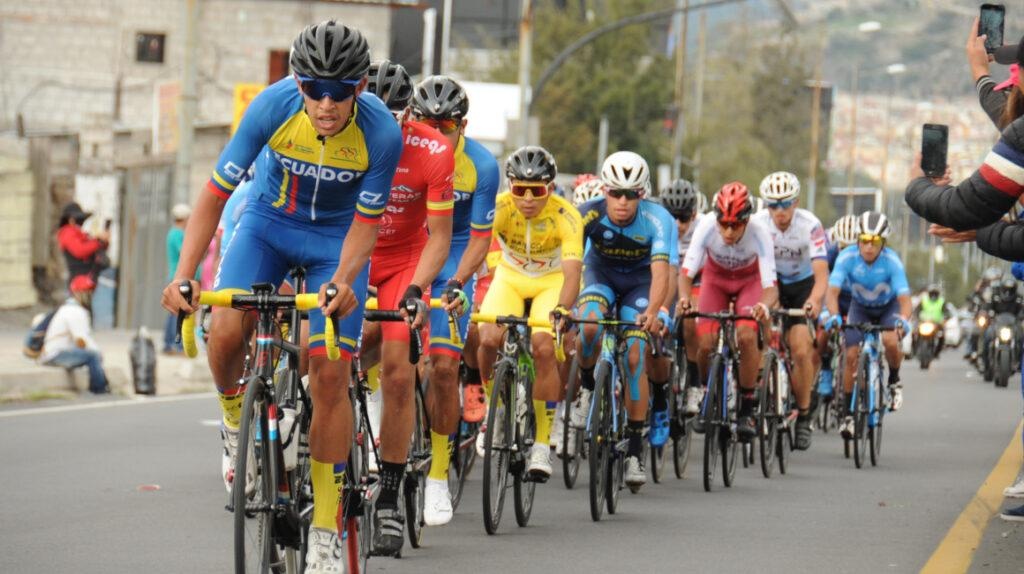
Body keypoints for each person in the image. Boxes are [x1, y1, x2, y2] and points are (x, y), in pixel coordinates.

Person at [159, 20, 402, 573]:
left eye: (339, 92)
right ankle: (231, 422)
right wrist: (183, 274)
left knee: (331, 371)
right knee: (223, 329)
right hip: (268, 224)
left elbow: (367, 227)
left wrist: (342, 279)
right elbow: (214, 196)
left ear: (359, 88)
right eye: (312, 88)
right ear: (297, 84)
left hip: (336, 242)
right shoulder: (272, 108)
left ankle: (324, 528)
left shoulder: (382, 133)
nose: (324, 103)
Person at [359, 60, 456, 543]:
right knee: (318, 353)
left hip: (404, 260)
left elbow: (440, 237)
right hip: (349, 251)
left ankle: (392, 494)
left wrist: (417, 289)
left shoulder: (433, 149)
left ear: (409, 113)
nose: (383, 122)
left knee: (398, 370)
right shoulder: (338, 139)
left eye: (395, 114)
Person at [402, 75, 499, 526]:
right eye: (427, 122)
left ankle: (438, 475)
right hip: (409, 251)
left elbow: (481, 238)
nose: (437, 133)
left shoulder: (481, 164)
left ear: (463, 125)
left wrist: (460, 280)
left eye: (447, 125)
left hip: (455, 258)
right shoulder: (401, 150)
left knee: (442, 366)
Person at [477, 145, 583, 483]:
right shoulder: (499, 208)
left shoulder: (566, 216)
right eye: (518, 189)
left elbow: (572, 274)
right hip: (510, 278)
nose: (526, 198)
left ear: (550, 189)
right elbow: (479, 246)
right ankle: (494, 409)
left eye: (535, 191)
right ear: (509, 185)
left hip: (550, 282)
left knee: (543, 346)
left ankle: (541, 444)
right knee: (488, 336)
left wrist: (563, 309)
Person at [573, 151, 676, 490]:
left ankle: (634, 449)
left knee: (635, 353)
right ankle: (587, 387)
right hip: (599, 275)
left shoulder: (659, 219)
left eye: (631, 194)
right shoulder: (587, 215)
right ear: (604, 190)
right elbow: (573, 267)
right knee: (588, 324)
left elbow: (662, 273)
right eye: (615, 192)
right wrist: (565, 305)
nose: (622, 201)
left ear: (642, 194)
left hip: (640, 283)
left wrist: (655, 311)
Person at [678, 182, 777, 440]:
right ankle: (705, 391)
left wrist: (763, 306)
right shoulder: (706, 225)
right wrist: (684, 298)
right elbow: (687, 273)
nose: (728, 231)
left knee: (746, 335)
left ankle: (746, 407)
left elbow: (770, 286)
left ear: (747, 220)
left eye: (736, 225)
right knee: (706, 342)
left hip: (749, 282)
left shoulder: (760, 232)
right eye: (724, 224)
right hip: (716, 280)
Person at [751, 171, 829, 450]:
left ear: (795, 202)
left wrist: (814, 301)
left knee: (800, 349)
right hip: (769, 283)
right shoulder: (757, 223)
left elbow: (821, 275)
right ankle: (754, 392)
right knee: (751, 335)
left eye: (785, 204)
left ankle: (805, 414)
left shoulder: (811, 225)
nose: (779, 211)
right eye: (773, 205)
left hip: (801, 286)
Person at [823, 212, 912, 440]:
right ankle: (848, 415)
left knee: (891, 341)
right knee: (851, 354)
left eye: (874, 242)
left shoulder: (892, 261)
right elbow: (831, 293)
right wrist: (833, 316)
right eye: (864, 240)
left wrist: (903, 320)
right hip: (859, 307)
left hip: (887, 308)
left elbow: (904, 300)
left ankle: (893, 380)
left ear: (883, 243)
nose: (868, 247)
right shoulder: (846, 257)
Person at [660, 178, 707, 417]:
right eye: (672, 217)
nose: (678, 225)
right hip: (668, 276)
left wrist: (686, 298)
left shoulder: (703, 227)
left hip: (696, 278)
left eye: (684, 218)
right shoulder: (657, 225)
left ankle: (695, 384)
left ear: (694, 214)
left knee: (691, 319)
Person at [40, 275, 110, 394]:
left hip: (57, 352)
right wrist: (97, 352)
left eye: (90, 291)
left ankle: (101, 386)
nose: (90, 294)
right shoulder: (74, 311)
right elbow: (81, 340)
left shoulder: (70, 309)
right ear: (77, 293)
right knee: (92, 356)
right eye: (86, 291)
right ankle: (99, 388)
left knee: (92, 354)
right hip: (55, 354)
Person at [56, 201, 109, 287]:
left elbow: (96, 248)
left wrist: (102, 241)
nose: (81, 222)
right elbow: (80, 250)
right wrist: (98, 242)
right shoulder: (67, 233)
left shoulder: (80, 234)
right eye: (79, 219)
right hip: (80, 281)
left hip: (89, 277)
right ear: (71, 220)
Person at [164, 203, 191, 354]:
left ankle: (169, 344)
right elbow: (185, 252)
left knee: (174, 312)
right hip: (179, 277)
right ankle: (177, 345)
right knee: (180, 312)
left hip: (175, 276)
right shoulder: (178, 234)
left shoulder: (173, 233)